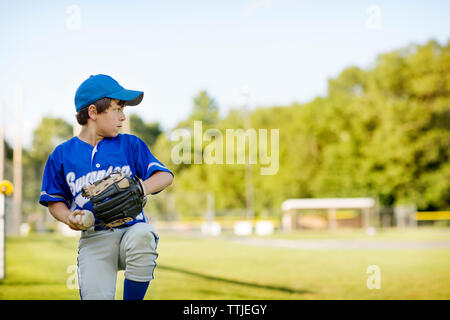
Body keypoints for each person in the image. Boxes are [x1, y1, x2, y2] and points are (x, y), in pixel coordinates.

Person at [39, 74, 174, 300]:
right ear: (93, 112)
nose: (123, 116)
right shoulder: (62, 155)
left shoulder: (130, 144)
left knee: (144, 235)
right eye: (117, 109)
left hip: (131, 231)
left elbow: (165, 176)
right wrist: (69, 217)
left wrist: (141, 188)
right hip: (94, 238)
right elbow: (55, 201)